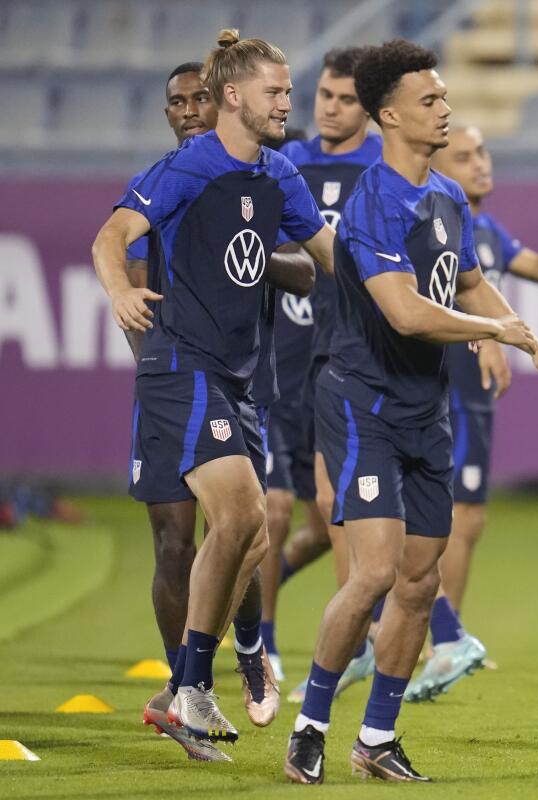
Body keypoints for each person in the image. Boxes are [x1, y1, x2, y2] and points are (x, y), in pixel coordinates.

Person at [283, 39, 538, 785]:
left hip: (425, 410)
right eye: (431, 100)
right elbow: (407, 313)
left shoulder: (446, 197)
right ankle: (311, 725)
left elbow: (471, 283)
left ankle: (376, 738)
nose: (446, 108)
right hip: (361, 404)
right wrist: (496, 333)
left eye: (446, 97)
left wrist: (532, 341)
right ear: (389, 116)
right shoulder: (373, 202)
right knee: (375, 573)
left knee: (421, 582)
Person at [93, 29, 335, 746]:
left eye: (290, 90)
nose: (289, 102)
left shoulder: (281, 174)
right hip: (181, 364)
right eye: (277, 92)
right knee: (228, 519)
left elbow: (327, 259)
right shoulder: (187, 167)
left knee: (251, 532)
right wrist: (117, 294)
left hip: (237, 378)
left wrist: (404, 300)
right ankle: (198, 683)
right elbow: (112, 237)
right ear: (235, 97)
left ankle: (195, 681)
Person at [402, 123, 538, 701]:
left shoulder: (480, 229)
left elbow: (536, 269)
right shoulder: (427, 219)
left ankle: (444, 636)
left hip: (471, 398)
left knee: (465, 520)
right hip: (442, 389)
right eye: (465, 155)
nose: (481, 163)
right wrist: (487, 337)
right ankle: (439, 636)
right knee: (438, 520)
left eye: (483, 152)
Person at [258, 46, 382, 690]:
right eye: (324, 97)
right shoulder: (285, 163)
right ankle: (266, 646)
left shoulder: (384, 168)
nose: (331, 109)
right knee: (274, 511)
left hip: (344, 357)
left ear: (369, 108)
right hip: (281, 360)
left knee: (335, 507)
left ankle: (354, 641)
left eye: (346, 100)